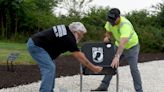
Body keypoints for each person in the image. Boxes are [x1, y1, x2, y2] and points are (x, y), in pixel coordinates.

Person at [27, 22, 103, 92]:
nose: (82, 37)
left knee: (51, 67)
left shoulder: (66, 31)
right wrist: (93, 68)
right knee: (49, 67)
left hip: (38, 44)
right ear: (76, 32)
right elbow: (80, 57)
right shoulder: (69, 39)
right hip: (37, 46)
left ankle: (49, 90)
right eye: (81, 34)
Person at [91, 8, 143, 92]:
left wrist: (117, 57)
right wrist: (107, 37)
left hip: (131, 47)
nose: (111, 22)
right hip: (118, 45)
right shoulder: (110, 21)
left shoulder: (125, 25)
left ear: (119, 17)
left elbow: (123, 43)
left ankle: (139, 90)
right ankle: (103, 86)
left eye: (113, 20)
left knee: (134, 69)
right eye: (110, 20)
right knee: (110, 65)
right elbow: (108, 31)